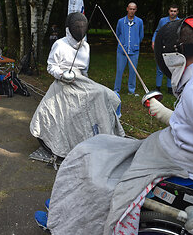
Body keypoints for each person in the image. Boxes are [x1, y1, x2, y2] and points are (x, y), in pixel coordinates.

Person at [36, 17, 193, 235]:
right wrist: (165, 114)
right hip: (165, 155)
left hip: (172, 169)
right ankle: (66, 207)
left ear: (171, 58)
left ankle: (70, 222)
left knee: (91, 165)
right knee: (99, 145)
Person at [30, 12, 124, 159]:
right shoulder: (59, 44)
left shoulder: (85, 46)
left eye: (82, 26)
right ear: (69, 28)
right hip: (63, 82)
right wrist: (62, 74)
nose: (80, 28)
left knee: (107, 95)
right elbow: (51, 66)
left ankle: (104, 138)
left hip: (80, 81)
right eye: (77, 26)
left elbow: (84, 71)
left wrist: (86, 84)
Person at [114, 2, 144, 96]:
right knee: (119, 70)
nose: (132, 11)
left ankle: (131, 90)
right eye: (130, 9)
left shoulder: (139, 21)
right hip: (122, 51)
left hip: (134, 51)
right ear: (127, 9)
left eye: (134, 9)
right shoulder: (121, 21)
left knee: (133, 71)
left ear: (136, 10)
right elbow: (117, 33)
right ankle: (116, 89)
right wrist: (122, 43)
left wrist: (135, 44)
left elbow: (141, 35)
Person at [151, 4, 179, 94]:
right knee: (160, 67)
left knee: (171, 68)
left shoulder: (180, 22)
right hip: (162, 46)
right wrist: (153, 41)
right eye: (171, 11)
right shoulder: (162, 21)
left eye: (175, 11)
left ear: (177, 12)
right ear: (168, 11)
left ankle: (170, 88)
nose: (173, 13)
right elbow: (157, 31)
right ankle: (158, 87)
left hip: (173, 48)